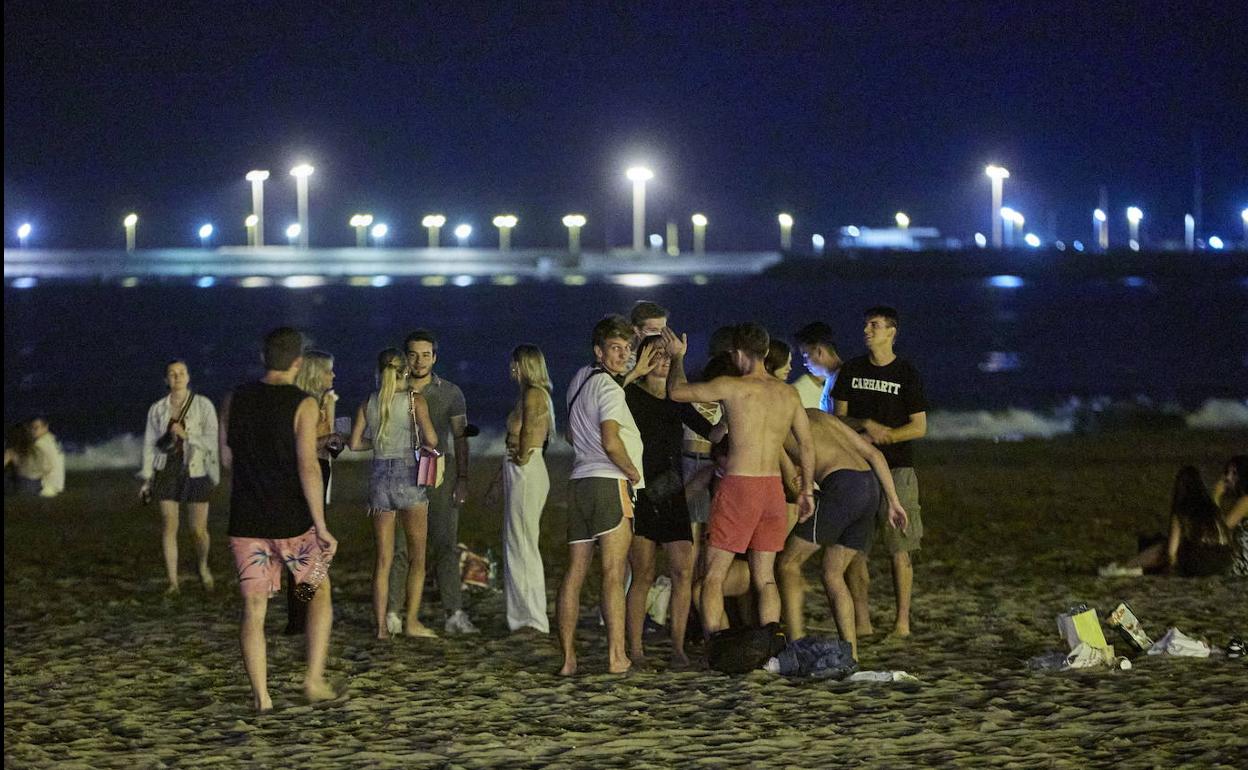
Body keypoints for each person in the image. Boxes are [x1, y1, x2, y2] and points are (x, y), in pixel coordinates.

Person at [663, 323, 815, 640]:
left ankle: (716, 642)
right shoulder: (788, 393)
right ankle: (770, 640)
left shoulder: (732, 387)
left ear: (738, 353)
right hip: (772, 488)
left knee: (715, 575)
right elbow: (807, 445)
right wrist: (805, 490)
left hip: (740, 485)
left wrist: (678, 358)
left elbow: (676, 392)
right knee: (766, 578)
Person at [223, 327, 338, 710]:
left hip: (247, 521)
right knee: (316, 588)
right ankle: (312, 678)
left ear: (263, 357)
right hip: (292, 521)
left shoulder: (234, 399)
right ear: (297, 362)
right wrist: (321, 526)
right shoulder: (303, 404)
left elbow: (227, 459)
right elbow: (308, 466)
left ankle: (262, 696)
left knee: (255, 609)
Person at [776, 409, 908, 659]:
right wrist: (893, 501)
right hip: (871, 485)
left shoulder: (775, 426)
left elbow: (793, 483)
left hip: (842, 486)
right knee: (832, 573)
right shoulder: (817, 415)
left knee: (787, 563)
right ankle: (852, 655)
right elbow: (874, 453)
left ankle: (795, 643)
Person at [832, 306, 927, 638]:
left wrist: (886, 435)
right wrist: (863, 425)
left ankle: (902, 621)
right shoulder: (851, 370)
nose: (867, 331)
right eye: (866, 325)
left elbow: (919, 427)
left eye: (874, 325)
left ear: (891, 332)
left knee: (900, 547)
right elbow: (837, 418)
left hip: (898, 468)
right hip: (857, 468)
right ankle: (862, 620)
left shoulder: (906, 373)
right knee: (856, 549)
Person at [558, 314, 644, 675]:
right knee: (613, 572)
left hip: (579, 482)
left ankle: (567, 659)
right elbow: (610, 440)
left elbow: (571, 435)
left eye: (626, 349)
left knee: (575, 573)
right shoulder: (609, 390)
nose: (622, 355)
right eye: (615, 348)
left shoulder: (580, 379)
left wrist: (632, 374)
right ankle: (616, 656)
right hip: (609, 482)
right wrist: (632, 471)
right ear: (599, 350)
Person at [624, 334, 717, 667]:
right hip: (643, 491)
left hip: (673, 490)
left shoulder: (676, 398)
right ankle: (635, 649)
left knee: (682, 570)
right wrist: (633, 373)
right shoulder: (629, 394)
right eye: (656, 355)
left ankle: (677, 647)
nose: (662, 361)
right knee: (643, 574)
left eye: (667, 357)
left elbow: (710, 430)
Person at [388, 329, 478, 636]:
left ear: (435, 357)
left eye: (426, 354)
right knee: (400, 547)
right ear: (405, 357)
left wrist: (463, 478)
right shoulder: (392, 391)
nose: (419, 361)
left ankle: (454, 612)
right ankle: (392, 613)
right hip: (401, 475)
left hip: (440, 474)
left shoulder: (451, 393)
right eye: (413, 354)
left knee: (445, 545)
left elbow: (461, 438)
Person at [350, 348, 439, 639]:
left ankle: (380, 628)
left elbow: (355, 444)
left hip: (379, 478)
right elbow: (432, 439)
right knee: (417, 558)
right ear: (405, 371)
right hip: (408, 476)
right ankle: (411, 621)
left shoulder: (369, 402)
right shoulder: (415, 401)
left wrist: (379, 444)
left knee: (383, 560)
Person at [139, 361, 219, 594]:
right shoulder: (157, 409)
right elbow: (149, 445)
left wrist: (188, 435)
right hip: (166, 469)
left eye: (182, 372)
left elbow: (211, 440)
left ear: (188, 376)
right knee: (169, 525)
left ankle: (203, 565)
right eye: (172, 374)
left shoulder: (203, 405)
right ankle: (173, 582)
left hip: (196, 469)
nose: (177, 377)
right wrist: (146, 478)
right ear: (166, 380)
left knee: (198, 530)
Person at [284, 349, 341, 635]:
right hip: (304, 477)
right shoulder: (299, 404)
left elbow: (328, 447)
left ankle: (301, 613)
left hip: (321, 472)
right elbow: (302, 447)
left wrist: (332, 440)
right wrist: (326, 440)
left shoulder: (325, 401)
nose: (332, 375)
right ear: (314, 372)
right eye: (328, 370)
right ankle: (300, 616)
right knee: (309, 547)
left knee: (313, 546)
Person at [503, 344, 555, 634]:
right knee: (518, 542)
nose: (512, 369)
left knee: (523, 543)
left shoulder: (533, 393)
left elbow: (531, 427)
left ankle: (531, 617)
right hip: (520, 467)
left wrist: (522, 454)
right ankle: (522, 614)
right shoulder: (528, 393)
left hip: (527, 467)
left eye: (515, 364)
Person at [1126, 466, 1235, 576]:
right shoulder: (1214, 509)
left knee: (1162, 547)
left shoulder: (1182, 511)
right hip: (1224, 562)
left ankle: (1129, 567)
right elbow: (1226, 537)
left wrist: (1171, 568)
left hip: (1199, 564)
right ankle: (1130, 567)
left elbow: (1171, 552)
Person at [5, 417, 65, 498]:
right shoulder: (52, 441)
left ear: (46, 427)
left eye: (36, 428)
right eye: (31, 428)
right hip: (52, 484)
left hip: (45, 486)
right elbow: (47, 466)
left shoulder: (39, 444)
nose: (33, 431)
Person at [794, 322, 842, 413]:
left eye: (806, 356)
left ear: (819, 351)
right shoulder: (832, 379)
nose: (804, 363)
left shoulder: (843, 378)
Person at [1213, 455, 1248, 577]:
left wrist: (1216, 497)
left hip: (1243, 563)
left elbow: (1220, 530)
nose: (1228, 478)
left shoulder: (1246, 501)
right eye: (1227, 473)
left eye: (1234, 474)